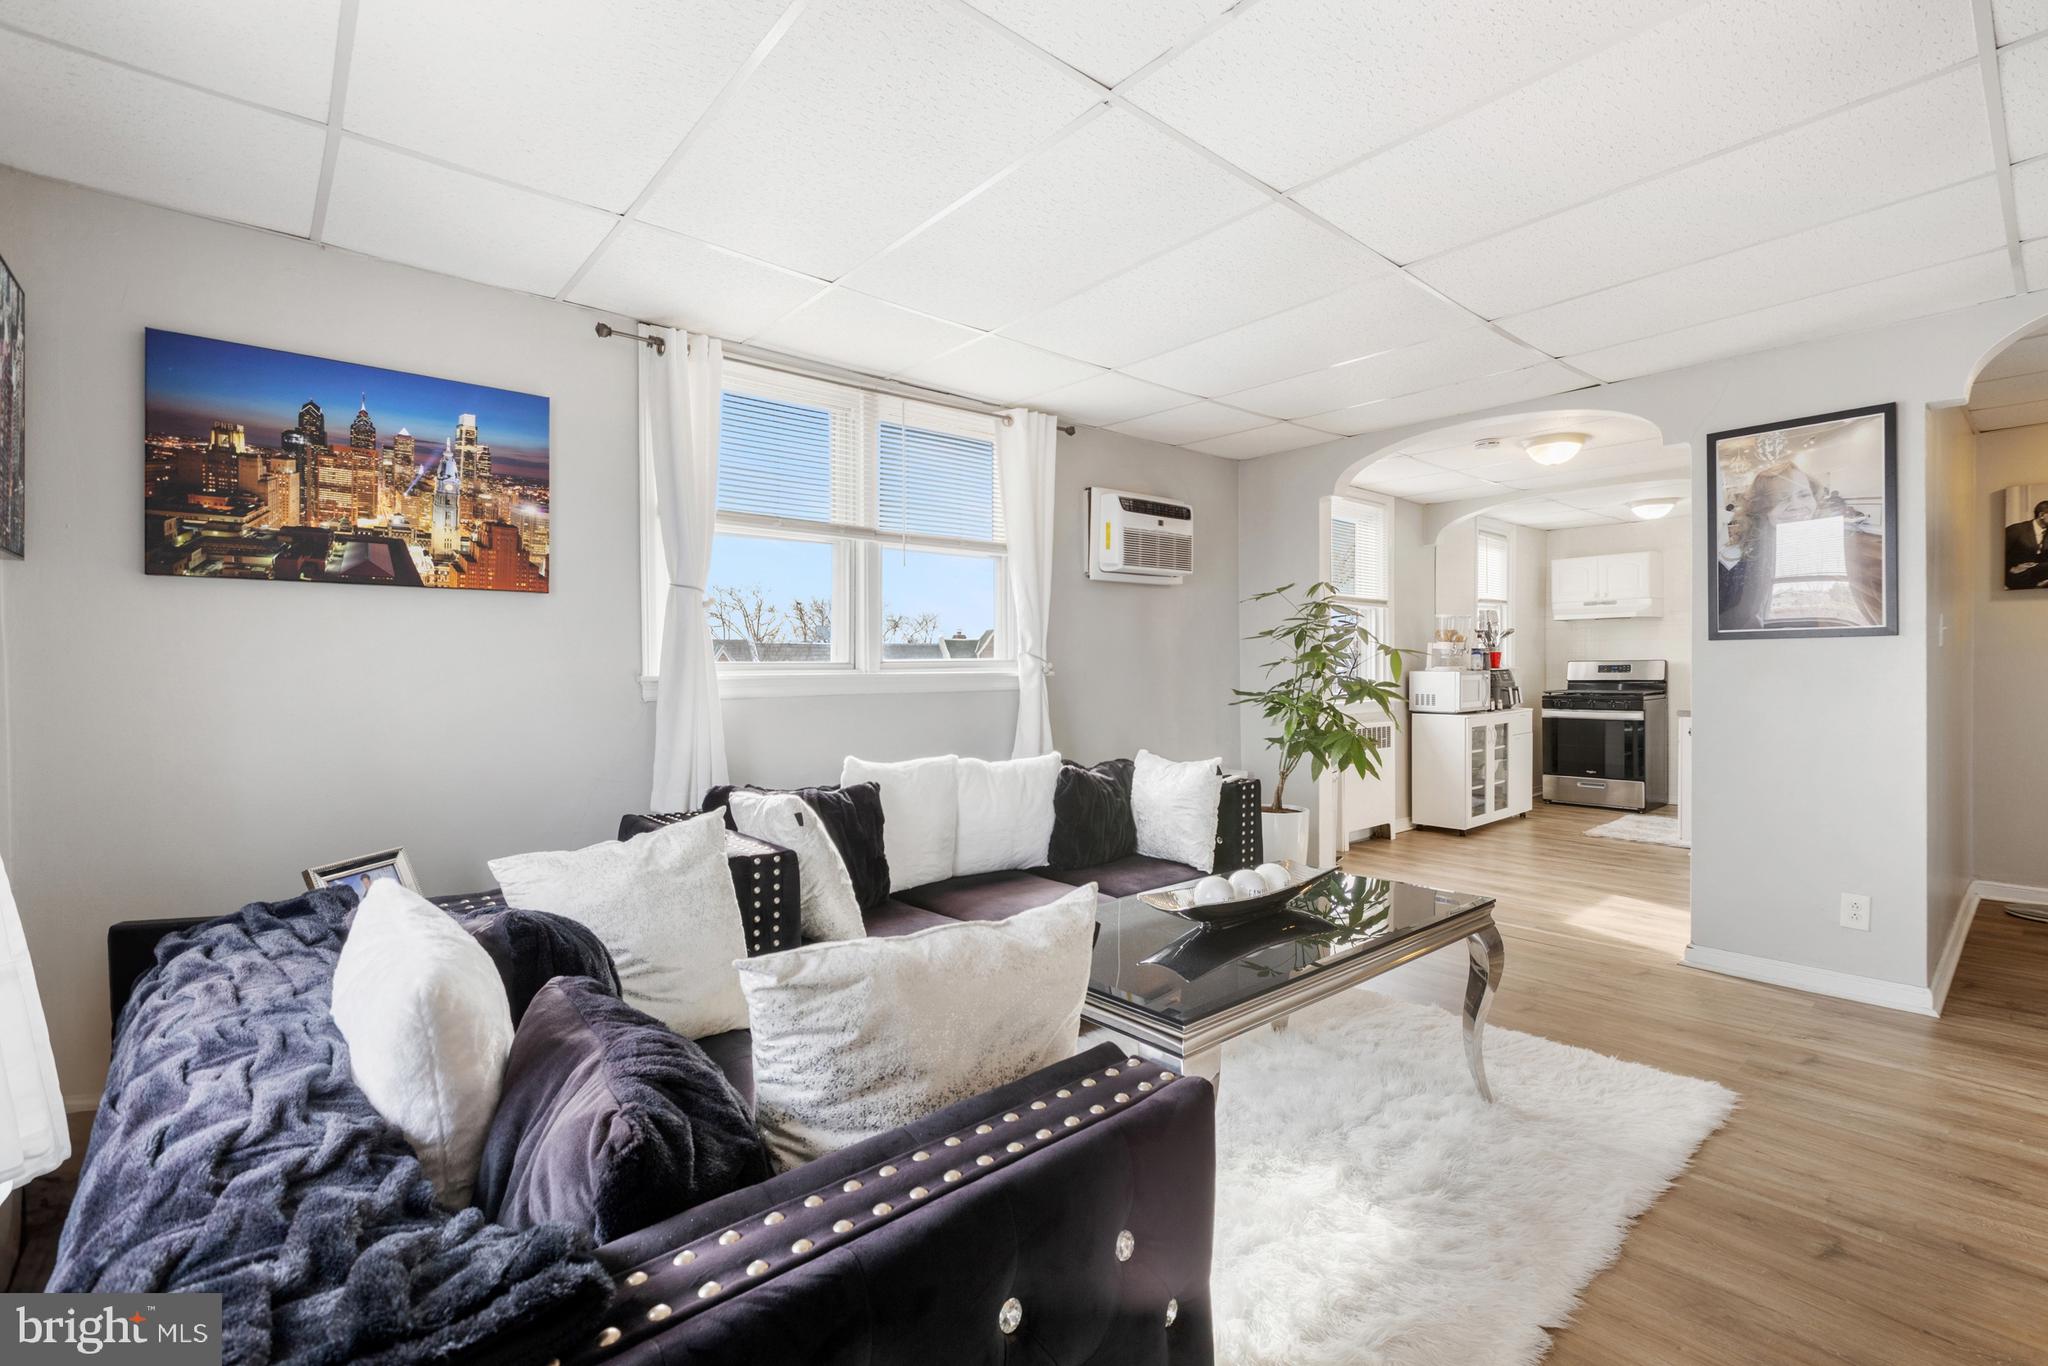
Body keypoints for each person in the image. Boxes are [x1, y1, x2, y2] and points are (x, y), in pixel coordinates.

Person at [1718, 463, 1884, 631]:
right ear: (1760, 508)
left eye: (1804, 494)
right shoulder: (1735, 557)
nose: (1796, 505)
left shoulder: (1843, 546)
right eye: (1781, 499)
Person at [2004, 499, 2048, 590]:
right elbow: (1995, 555)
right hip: (2016, 578)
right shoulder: (2016, 530)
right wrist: (2011, 569)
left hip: (2039, 578)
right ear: (2041, 515)